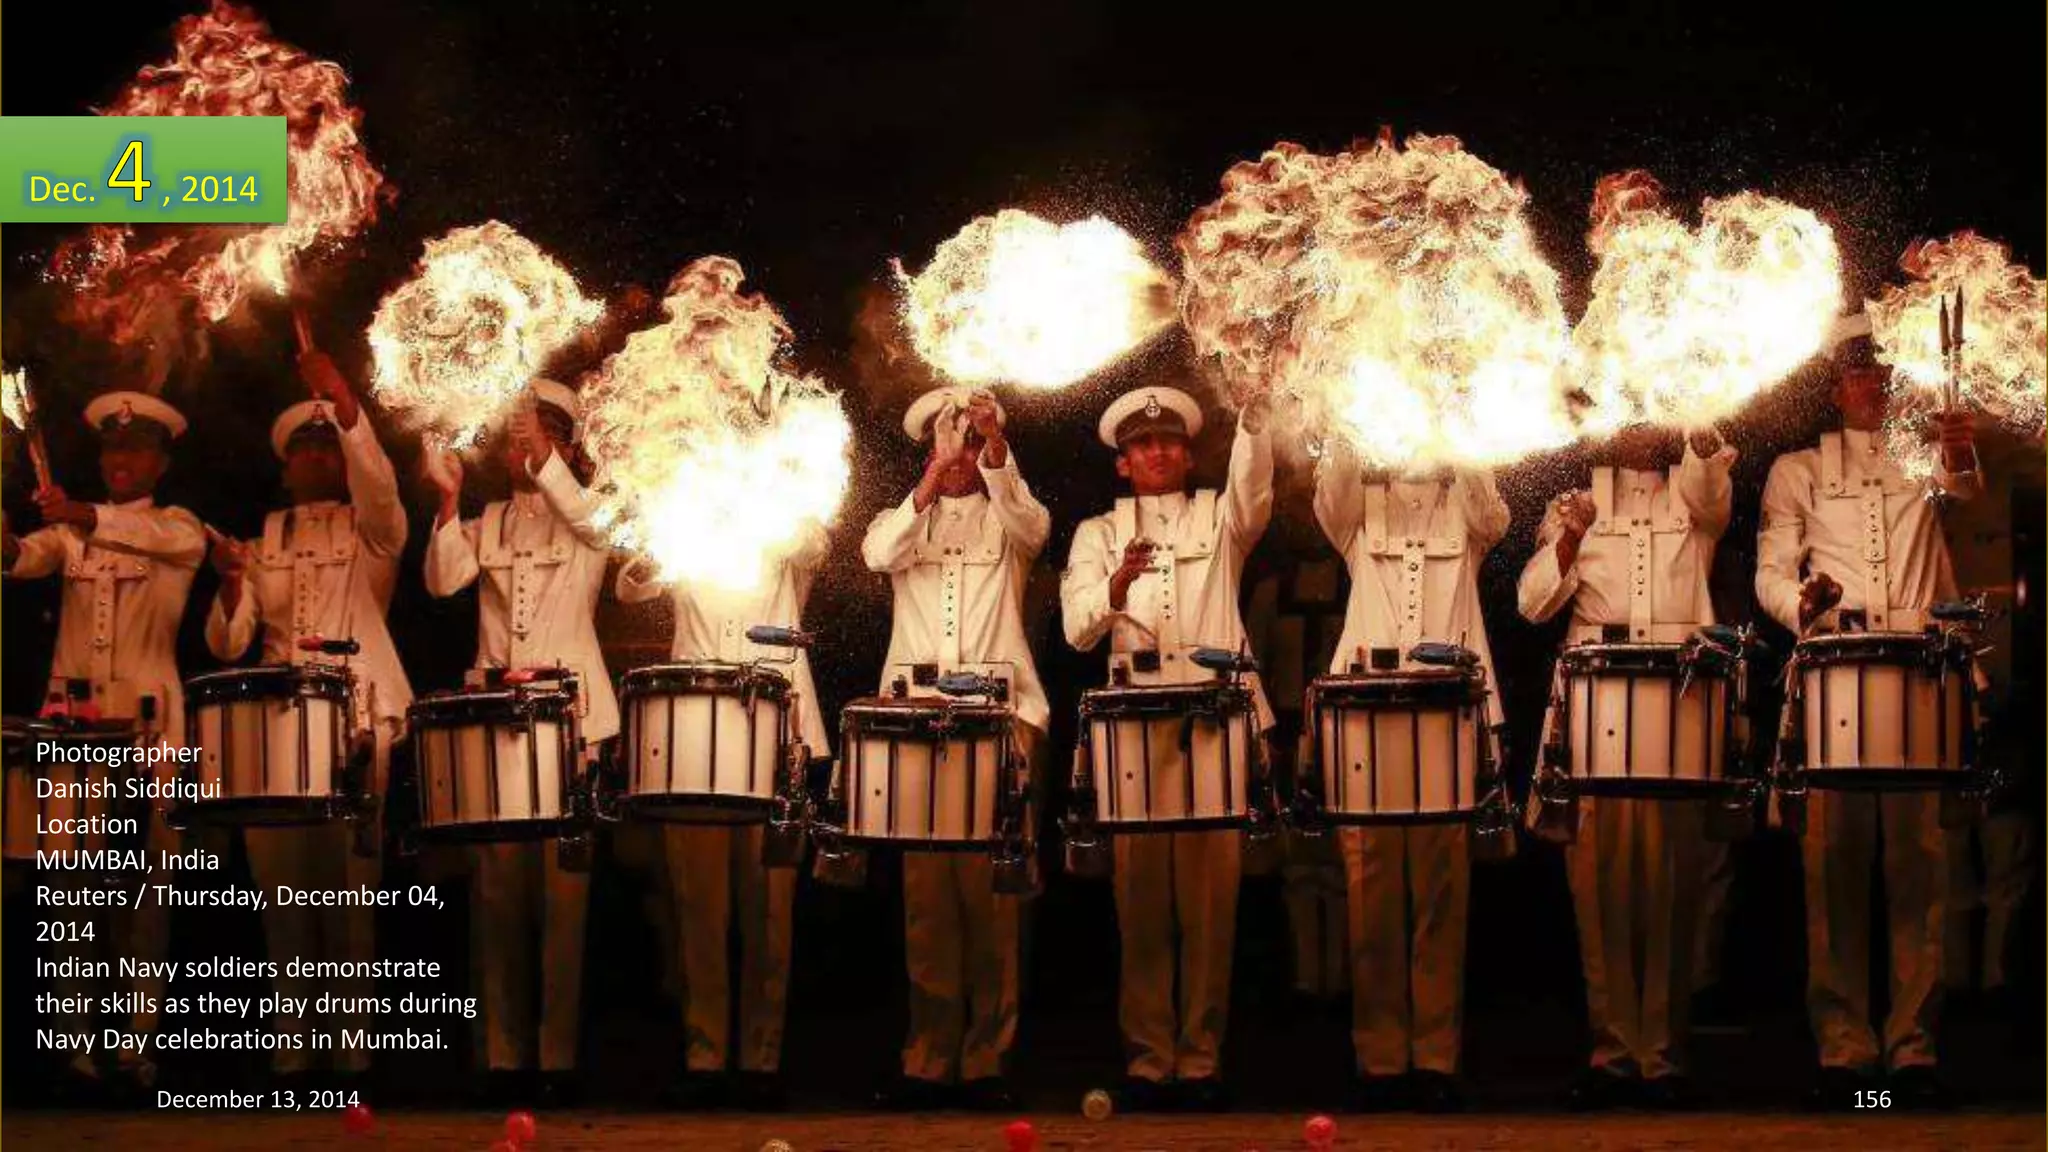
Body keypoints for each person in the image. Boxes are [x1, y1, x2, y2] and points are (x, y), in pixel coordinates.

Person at [1755, 330, 1980, 1109]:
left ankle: (1913, 1050)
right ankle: (1845, 1054)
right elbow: (1770, 575)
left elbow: (1966, 488)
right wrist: (1800, 606)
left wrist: (1958, 448)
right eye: (1857, 371)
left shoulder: (1921, 453)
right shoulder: (1799, 471)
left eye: (1882, 370)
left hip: (1919, 674)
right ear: (1833, 387)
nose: (1872, 382)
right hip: (1836, 679)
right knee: (1836, 871)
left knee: (1921, 868)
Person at [1061, 384, 1273, 1111]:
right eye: (1143, 445)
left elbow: (1254, 486)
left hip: (1213, 715)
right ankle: (1151, 1059)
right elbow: (1076, 631)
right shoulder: (1096, 533)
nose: (1158, 451)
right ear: (1124, 464)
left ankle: (1202, 1059)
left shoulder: (1223, 517)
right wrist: (1116, 587)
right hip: (1132, 722)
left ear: (1188, 452)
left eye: (1170, 442)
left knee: (1210, 903)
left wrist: (1253, 410)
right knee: (1142, 900)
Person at [206, 345, 412, 1090]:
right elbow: (228, 642)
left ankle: (354, 1056)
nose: (319, 457)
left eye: (330, 444)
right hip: (273, 722)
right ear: (285, 465)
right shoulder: (263, 540)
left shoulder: (373, 531)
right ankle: (296, 1053)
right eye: (307, 447)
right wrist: (231, 586)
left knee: (350, 889)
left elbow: (384, 492)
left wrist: (345, 402)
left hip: (357, 713)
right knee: (282, 891)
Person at [1517, 422, 1736, 1108]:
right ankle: (1613, 1052)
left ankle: (1665, 1055)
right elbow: (1532, 605)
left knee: (1674, 886)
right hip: (1596, 714)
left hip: (1679, 712)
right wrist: (1571, 538)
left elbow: (1709, 486)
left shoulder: (1696, 492)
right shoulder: (1571, 503)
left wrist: (1699, 424)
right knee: (1600, 884)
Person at [4, 391, 203, 1102]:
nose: (121, 460)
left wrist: (82, 514)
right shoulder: (68, 536)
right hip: (74, 733)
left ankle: (133, 1050)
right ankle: (76, 1051)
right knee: (69, 895)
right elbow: (24, 558)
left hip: (151, 734)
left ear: (161, 460)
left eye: (136, 449)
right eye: (113, 450)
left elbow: (137, 536)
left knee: (144, 894)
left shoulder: (180, 529)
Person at [422, 380, 617, 1107]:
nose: (519, 448)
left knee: (562, 900)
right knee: (498, 893)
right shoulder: (492, 518)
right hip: (496, 722)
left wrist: (549, 467)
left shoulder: (592, 512)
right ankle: (504, 1059)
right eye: (513, 436)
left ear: (566, 442)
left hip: (572, 725)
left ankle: (557, 1060)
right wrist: (447, 502)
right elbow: (442, 580)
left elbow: (599, 528)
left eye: (534, 434)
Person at [862, 387, 1050, 1111]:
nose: (963, 455)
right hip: (919, 721)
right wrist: (932, 479)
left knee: (993, 895)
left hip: (1000, 720)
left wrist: (996, 446)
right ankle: (929, 1055)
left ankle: (988, 1058)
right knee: (928, 898)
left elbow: (1032, 525)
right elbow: (879, 553)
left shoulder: (1011, 517)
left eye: (972, 443)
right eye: (952, 442)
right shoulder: (901, 519)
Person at [1312, 436, 1509, 1112]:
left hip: (1447, 716)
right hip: (1365, 718)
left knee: (1438, 896)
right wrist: (1339, 413)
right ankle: (1379, 1059)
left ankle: (1435, 1058)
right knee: (1370, 894)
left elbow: (1494, 513)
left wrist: (1468, 427)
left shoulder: (1465, 511)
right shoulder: (1358, 512)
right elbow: (1328, 490)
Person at [614, 517, 831, 1112]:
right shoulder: (687, 513)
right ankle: (703, 1058)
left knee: (770, 909)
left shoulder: (787, 525)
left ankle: (762, 1062)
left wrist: (772, 493)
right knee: (698, 906)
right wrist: (658, 541)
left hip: (776, 728)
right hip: (694, 733)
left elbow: (814, 541)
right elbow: (631, 588)